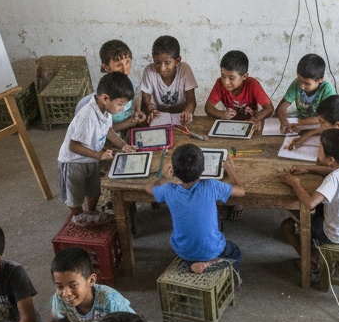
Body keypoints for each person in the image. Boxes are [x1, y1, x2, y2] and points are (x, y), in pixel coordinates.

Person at [147, 144, 245, 280]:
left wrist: (167, 177)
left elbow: (149, 187)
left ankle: (191, 262)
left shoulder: (168, 189)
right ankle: (214, 265)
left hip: (182, 250)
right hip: (211, 249)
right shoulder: (211, 185)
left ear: (174, 170)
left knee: (214, 218)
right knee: (235, 252)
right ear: (203, 169)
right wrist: (231, 171)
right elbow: (241, 191)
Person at [281, 129, 339, 275]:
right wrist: (307, 169)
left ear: (330, 159)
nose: (317, 150)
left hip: (335, 234)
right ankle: (315, 252)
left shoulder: (333, 179)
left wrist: (294, 183)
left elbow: (310, 203)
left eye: (319, 149)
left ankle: (310, 261)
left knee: (287, 225)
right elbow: (329, 171)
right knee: (315, 210)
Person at [59, 72, 136, 226]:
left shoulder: (106, 110)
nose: (122, 108)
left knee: (94, 190)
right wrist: (99, 155)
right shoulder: (87, 117)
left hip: (92, 158)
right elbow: (73, 146)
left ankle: (91, 212)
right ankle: (78, 216)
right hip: (73, 162)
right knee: (75, 195)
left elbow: (108, 131)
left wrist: (123, 145)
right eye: (120, 104)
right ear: (105, 98)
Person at [47, 247, 136, 322]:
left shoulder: (111, 301)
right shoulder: (60, 300)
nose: (66, 293)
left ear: (91, 280)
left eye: (73, 285)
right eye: (60, 286)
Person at [139, 35, 197, 124]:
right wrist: (152, 110)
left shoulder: (184, 70)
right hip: (158, 117)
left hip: (179, 116)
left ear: (177, 61)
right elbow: (146, 100)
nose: (162, 68)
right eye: (158, 62)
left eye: (167, 63)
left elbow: (191, 101)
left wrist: (187, 113)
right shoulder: (149, 71)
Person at [96, 38, 146, 139]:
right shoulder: (105, 88)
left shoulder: (131, 80)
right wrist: (130, 122)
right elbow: (105, 127)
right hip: (114, 127)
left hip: (131, 120)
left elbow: (137, 96)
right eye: (119, 65)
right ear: (106, 67)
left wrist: (137, 111)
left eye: (127, 62)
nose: (125, 68)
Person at [205, 50, 273, 122]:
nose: (225, 82)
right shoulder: (220, 83)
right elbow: (208, 107)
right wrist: (222, 114)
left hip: (250, 123)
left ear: (244, 76)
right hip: (231, 123)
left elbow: (269, 108)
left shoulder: (253, 84)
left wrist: (254, 119)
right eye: (223, 76)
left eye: (231, 78)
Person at [276, 53, 335, 133]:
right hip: (300, 123)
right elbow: (282, 106)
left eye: (307, 84)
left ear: (320, 79)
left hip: (318, 127)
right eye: (300, 81)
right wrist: (284, 122)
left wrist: (298, 122)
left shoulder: (327, 90)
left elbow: (326, 118)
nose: (302, 86)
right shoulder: (296, 84)